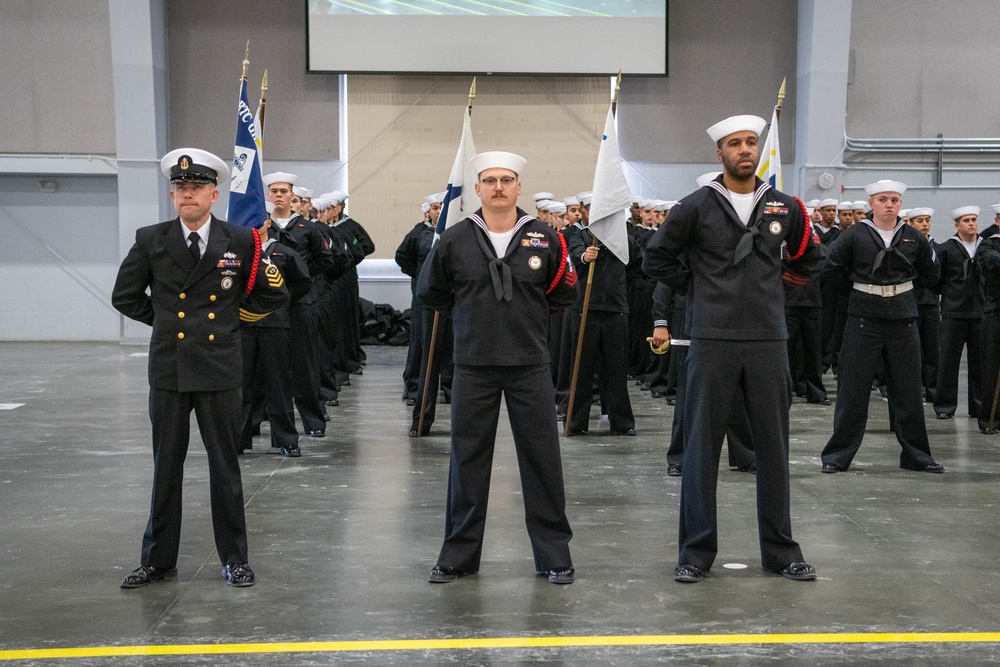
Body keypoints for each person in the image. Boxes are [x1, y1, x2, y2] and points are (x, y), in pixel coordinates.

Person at [643, 115, 821, 584]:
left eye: (751, 142)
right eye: (734, 144)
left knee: (773, 449)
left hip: (767, 340)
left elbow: (809, 259)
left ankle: (781, 552)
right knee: (702, 449)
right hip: (712, 339)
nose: (745, 149)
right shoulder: (696, 206)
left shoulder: (784, 206)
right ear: (719, 153)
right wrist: (701, 287)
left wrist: (772, 291)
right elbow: (655, 257)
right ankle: (695, 553)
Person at [112, 148, 287, 588]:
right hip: (170, 370)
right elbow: (125, 295)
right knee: (165, 467)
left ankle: (234, 558)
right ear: (172, 197)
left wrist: (230, 322)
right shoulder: (151, 238)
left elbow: (270, 294)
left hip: (220, 368)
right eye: (179, 188)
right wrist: (169, 324)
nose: (186, 194)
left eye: (194, 188)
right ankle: (157, 560)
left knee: (225, 467)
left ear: (213, 194)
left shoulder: (242, 240)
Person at [419, 151, 578, 585]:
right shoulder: (454, 238)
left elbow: (564, 292)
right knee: (467, 462)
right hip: (473, 366)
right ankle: (457, 556)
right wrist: (474, 319)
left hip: (529, 366)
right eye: (490, 180)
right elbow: (429, 292)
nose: (499, 187)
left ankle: (554, 556)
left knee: (542, 462)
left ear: (519, 187)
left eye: (507, 180)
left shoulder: (545, 237)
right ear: (478, 189)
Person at [819, 180, 944, 474]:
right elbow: (830, 272)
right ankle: (837, 456)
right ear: (871, 204)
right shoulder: (854, 236)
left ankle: (917, 456)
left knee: (909, 391)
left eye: (895, 200)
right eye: (884, 199)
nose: (890, 204)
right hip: (863, 320)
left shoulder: (914, 237)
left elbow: (931, 274)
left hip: (903, 319)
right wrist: (858, 294)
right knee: (852, 390)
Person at [240, 204, 312, 457]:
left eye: (258, 222)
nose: (254, 228)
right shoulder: (237, 254)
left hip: (275, 325)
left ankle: (286, 439)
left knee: (279, 384)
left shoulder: (284, 253)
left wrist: (281, 302)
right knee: (242, 384)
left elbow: (303, 282)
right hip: (244, 326)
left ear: (268, 223)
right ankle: (238, 438)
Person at [934, 206, 983, 419]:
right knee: (947, 362)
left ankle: (979, 406)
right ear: (957, 225)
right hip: (954, 313)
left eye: (974, 219)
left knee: (980, 364)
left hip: (980, 314)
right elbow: (936, 280)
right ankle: (944, 407)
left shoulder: (986, 248)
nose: (971, 223)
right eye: (966, 220)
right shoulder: (946, 249)